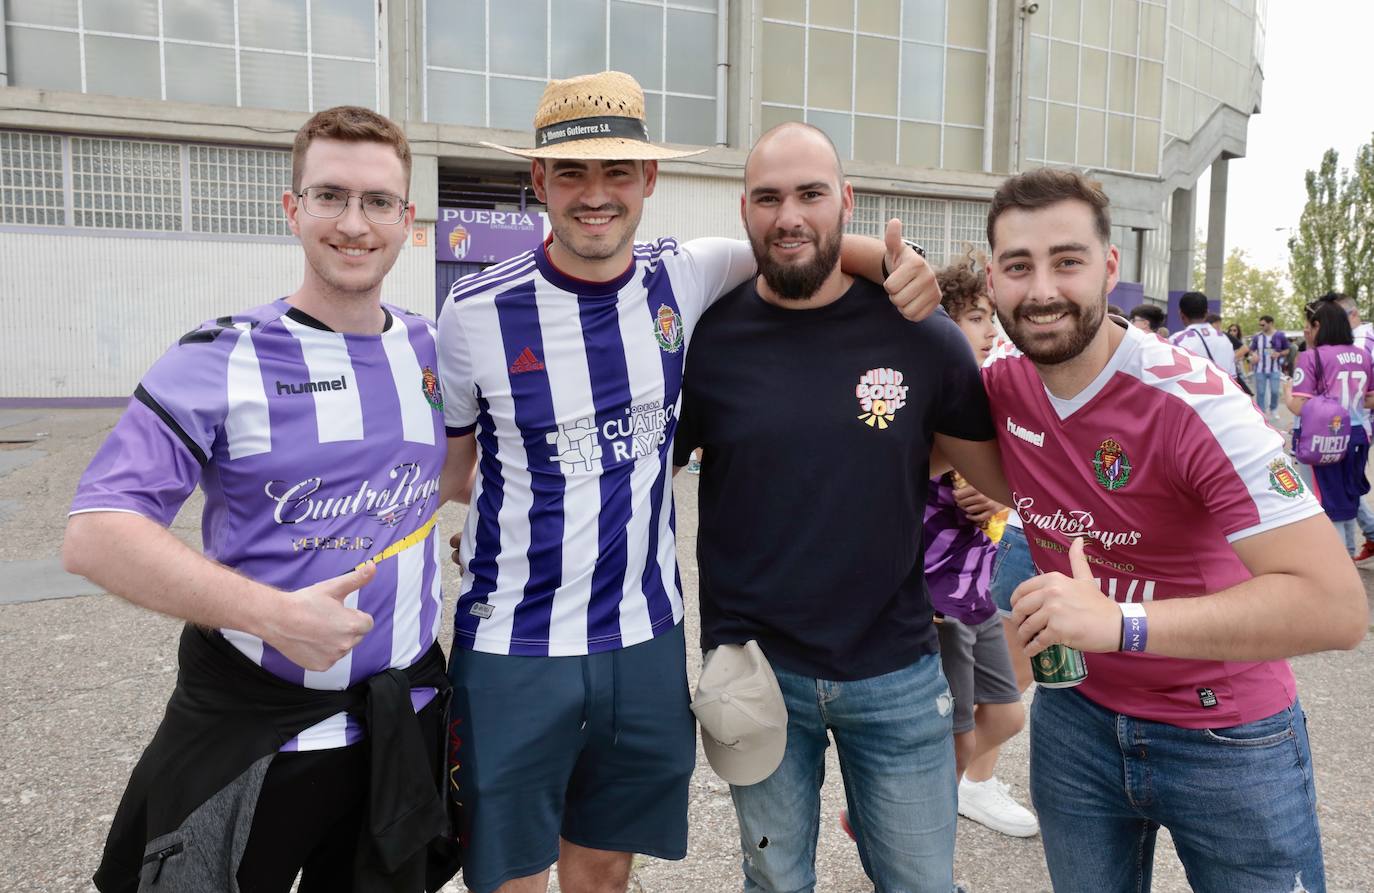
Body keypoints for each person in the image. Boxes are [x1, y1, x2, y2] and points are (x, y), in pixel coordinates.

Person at [434, 72, 936, 893]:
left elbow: (799, 243)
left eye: (618, 172)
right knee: (510, 877)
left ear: (650, 181)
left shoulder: (687, 274)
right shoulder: (474, 313)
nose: (595, 195)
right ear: (539, 182)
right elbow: (455, 469)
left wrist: (899, 265)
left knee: (602, 870)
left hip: (645, 639)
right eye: (570, 173)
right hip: (514, 647)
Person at [65, 107, 460, 892]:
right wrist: (274, 615)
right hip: (256, 733)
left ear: (407, 219)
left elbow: (461, 473)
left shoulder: (434, 351)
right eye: (330, 196)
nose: (355, 223)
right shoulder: (220, 355)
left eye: (379, 201)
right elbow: (98, 532)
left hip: (400, 719)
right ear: (293, 208)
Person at [981, 167, 1368, 892]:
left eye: (1067, 260)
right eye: (1017, 266)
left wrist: (1121, 622)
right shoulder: (1001, 384)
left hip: (1227, 739)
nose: (1041, 290)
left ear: (1109, 268)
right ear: (992, 279)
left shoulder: (1197, 404)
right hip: (1078, 722)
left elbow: (1337, 607)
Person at [673, 121, 1005, 893]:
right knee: (775, 880)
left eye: (811, 194)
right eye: (768, 197)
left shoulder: (924, 334)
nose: (789, 215)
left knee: (922, 882)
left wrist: (974, 481)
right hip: (753, 670)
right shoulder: (708, 341)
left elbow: (1001, 475)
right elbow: (643, 467)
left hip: (894, 667)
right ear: (744, 208)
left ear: (846, 202)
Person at [927, 254, 1037, 839]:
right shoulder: (927, 387)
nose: (991, 329)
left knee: (1006, 714)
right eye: (975, 315)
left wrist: (999, 497)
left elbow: (1015, 472)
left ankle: (913, 809)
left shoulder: (992, 385)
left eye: (990, 315)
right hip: (938, 593)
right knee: (957, 731)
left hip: (977, 587)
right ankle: (909, 830)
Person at [1286, 297, 1374, 557]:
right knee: (1347, 499)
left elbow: (1300, 406)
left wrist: (1288, 393)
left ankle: (1338, 563)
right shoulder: (1361, 356)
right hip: (1357, 434)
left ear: (1317, 325)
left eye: (1309, 326)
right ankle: (1346, 554)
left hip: (1324, 436)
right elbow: (1370, 398)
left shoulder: (1310, 357)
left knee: (1326, 503)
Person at [1329, 292, 1374, 559]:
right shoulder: (1365, 336)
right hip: (1357, 426)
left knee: (1343, 486)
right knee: (1348, 485)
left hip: (1356, 426)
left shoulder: (1359, 342)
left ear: (1351, 314)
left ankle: (1343, 554)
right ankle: (1370, 532)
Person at [1169, 291, 1236, 377]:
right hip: (1223, 389)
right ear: (1207, 313)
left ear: (1181, 314)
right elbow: (1234, 378)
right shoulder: (1224, 339)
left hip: (1191, 390)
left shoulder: (1175, 341)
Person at [1250, 314, 1291, 420]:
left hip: (1275, 369)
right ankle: (1261, 412)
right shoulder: (1257, 337)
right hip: (1260, 369)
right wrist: (1253, 355)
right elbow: (1250, 349)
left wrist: (1279, 354)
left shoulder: (1280, 335)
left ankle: (1273, 409)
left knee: (1275, 391)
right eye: (1260, 325)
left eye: (1263, 324)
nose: (1261, 327)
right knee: (1261, 392)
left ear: (1270, 323)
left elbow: (1287, 350)